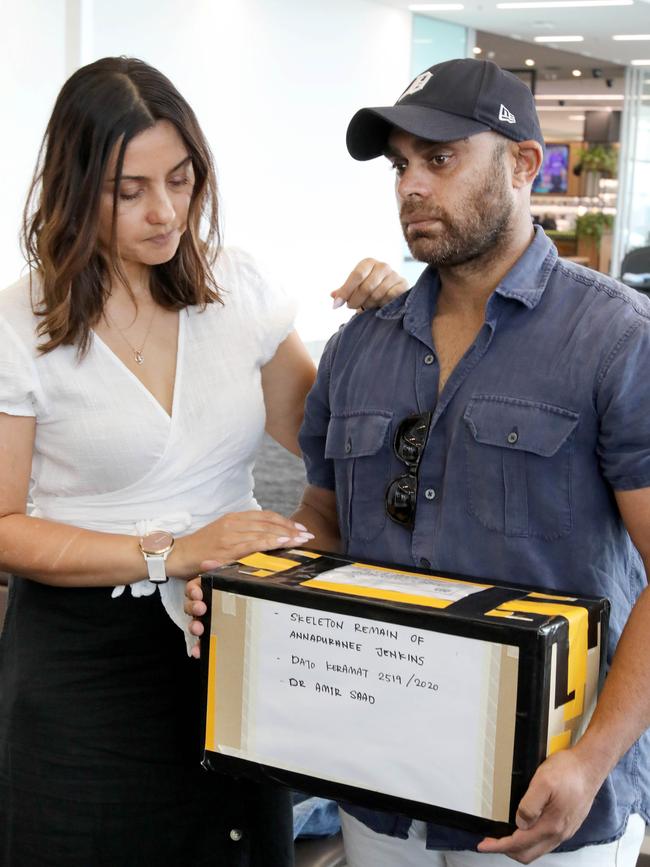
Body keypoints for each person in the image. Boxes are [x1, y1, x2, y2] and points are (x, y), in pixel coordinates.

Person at [187, 58, 650, 865]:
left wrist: (594, 756)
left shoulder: (617, 340)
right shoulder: (358, 348)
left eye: (440, 159)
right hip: (380, 787)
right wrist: (252, 580)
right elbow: (327, 523)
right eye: (402, 163)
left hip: (546, 801)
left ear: (521, 164)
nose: (411, 185)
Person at [0, 56, 407, 867]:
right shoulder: (23, 323)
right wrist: (171, 550)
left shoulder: (235, 287)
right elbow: (4, 526)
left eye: (181, 180)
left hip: (233, 633)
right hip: (86, 657)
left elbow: (330, 439)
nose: (166, 212)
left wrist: (396, 324)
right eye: (131, 191)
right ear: (78, 188)